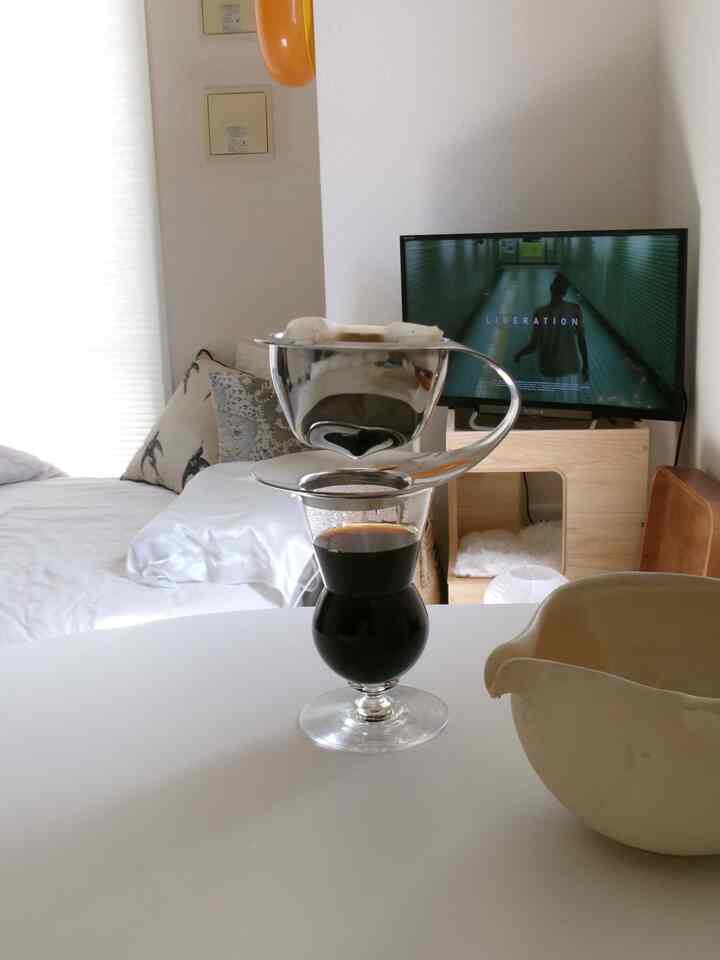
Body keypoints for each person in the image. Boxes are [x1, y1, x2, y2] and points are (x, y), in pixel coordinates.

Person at [514, 273, 589, 381]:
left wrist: (519, 354)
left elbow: (534, 344)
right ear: (565, 292)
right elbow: (581, 340)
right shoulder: (574, 309)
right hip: (570, 367)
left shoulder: (539, 313)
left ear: (551, 288)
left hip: (547, 368)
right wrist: (585, 366)